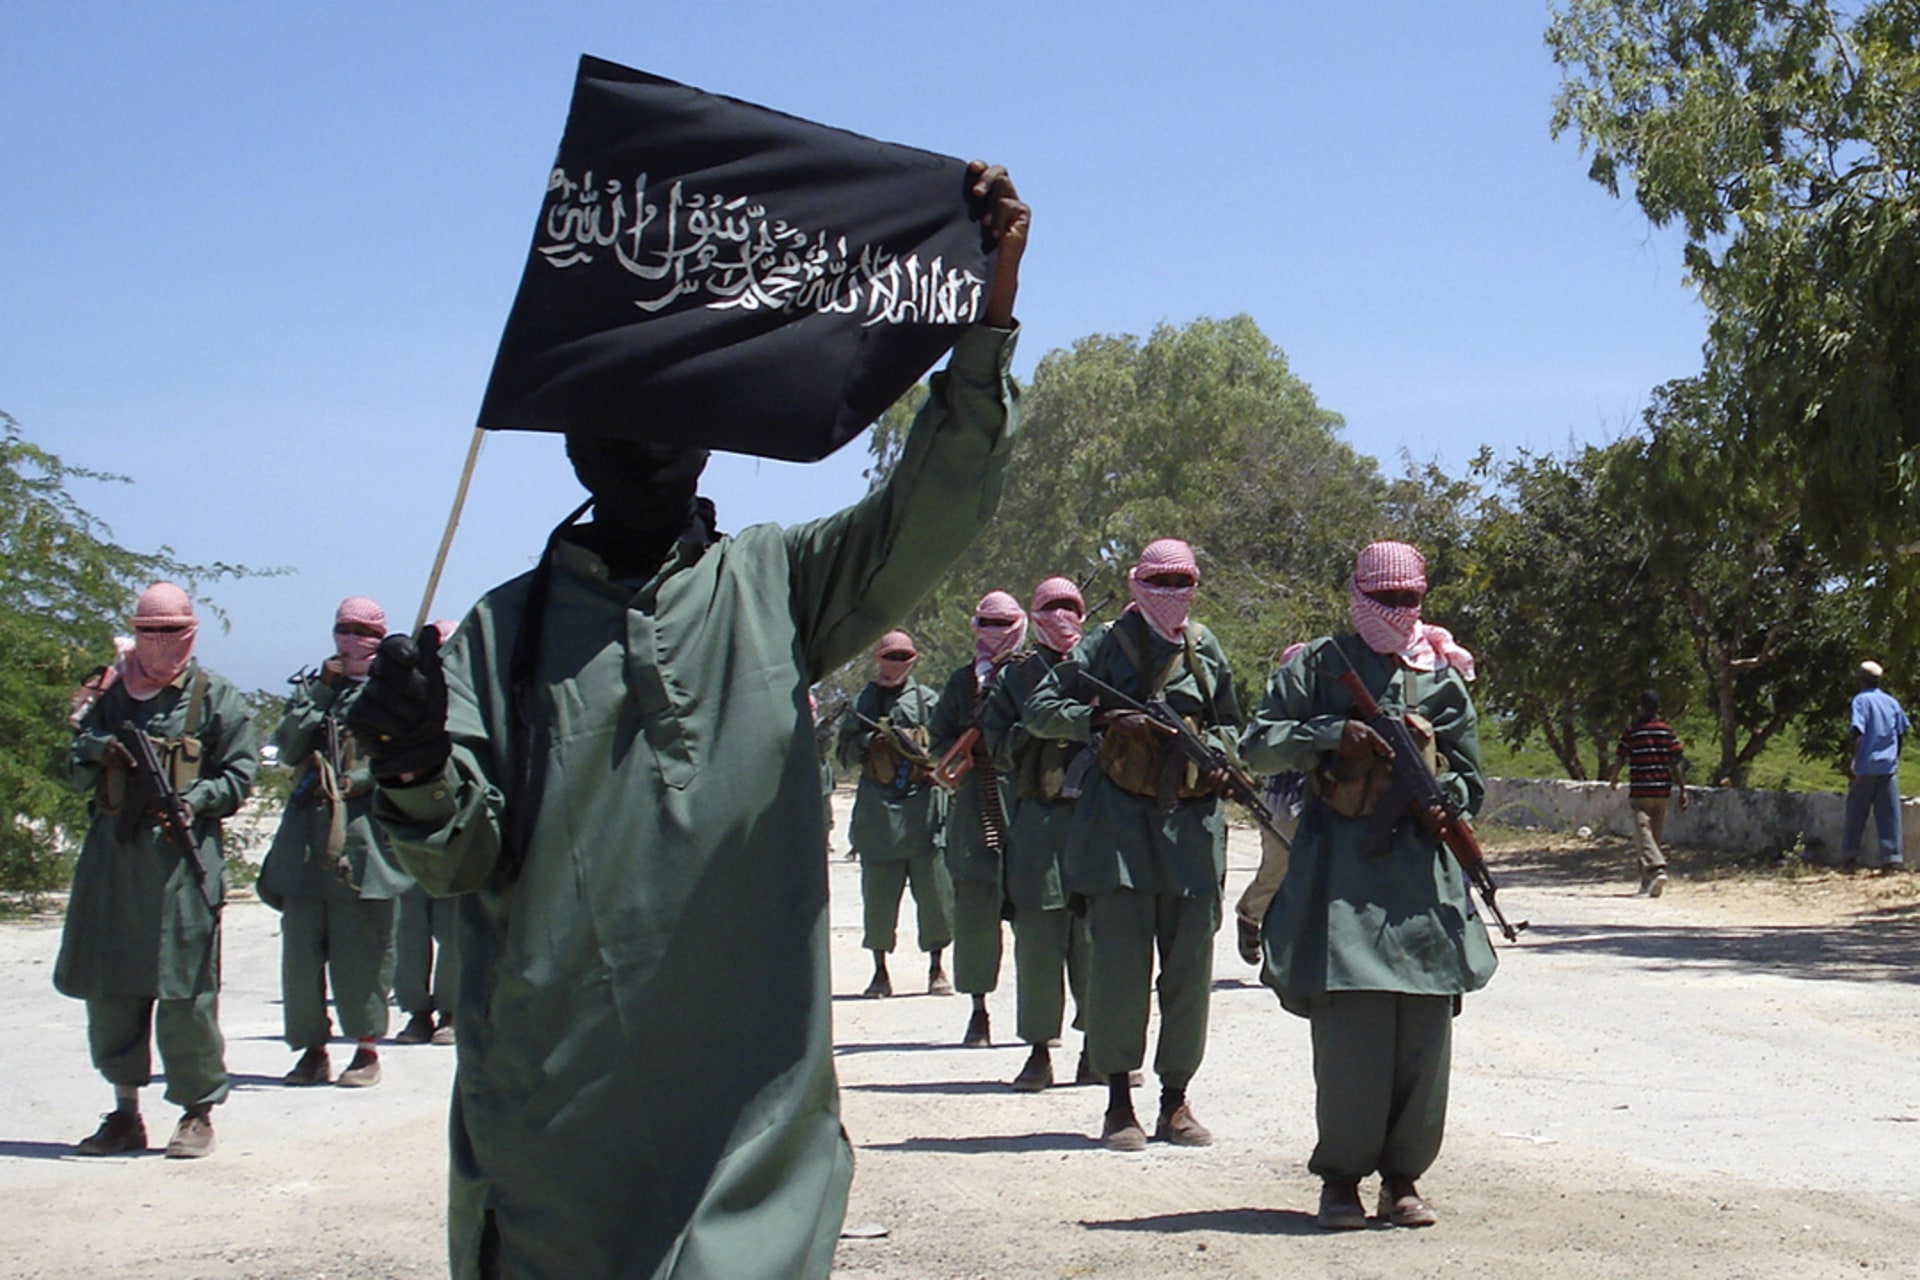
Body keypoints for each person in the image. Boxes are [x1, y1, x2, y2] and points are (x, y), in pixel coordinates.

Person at [349, 162, 1026, 1280]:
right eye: (613, 415)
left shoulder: (778, 586)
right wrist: (411, 757)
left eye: (669, 413)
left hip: (747, 1124)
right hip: (555, 1123)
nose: (641, 439)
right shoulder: (498, 635)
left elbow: (938, 500)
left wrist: (990, 311)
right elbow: (452, 856)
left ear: (708, 437)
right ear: (567, 438)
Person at [1240, 540, 1495, 1231]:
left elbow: (1472, 776)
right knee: (1351, 1039)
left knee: (1422, 1038)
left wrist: (1449, 799)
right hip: (1339, 878)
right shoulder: (1319, 666)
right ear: (1356, 595)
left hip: (1422, 882)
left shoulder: (1442, 678)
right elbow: (1257, 744)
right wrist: (1332, 735)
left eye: (1410, 599)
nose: (1399, 611)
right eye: (1385, 599)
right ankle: (1341, 1183)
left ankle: (1404, 1180)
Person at [1022, 538, 1240, 1151]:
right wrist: (1103, 721)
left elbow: (1230, 723)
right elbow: (1041, 708)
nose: (1172, 595)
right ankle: (1119, 1100)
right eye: (1160, 583)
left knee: (1189, 972)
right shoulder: (1102, 646)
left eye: (1184, 583)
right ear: (1138, 582)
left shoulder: (1205, 649)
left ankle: (1176, 1101)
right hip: (1117, 831)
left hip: (1192, 832)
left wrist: (1220, 757)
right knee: (1119, 971)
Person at [56, 582, 257, 1158]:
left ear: (189, 631)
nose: (158, 643)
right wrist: (100, 749)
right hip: (114, 860)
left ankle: (196, 1112)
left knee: (185, 990)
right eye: (148, 631)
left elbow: (241, 775)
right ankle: (124, 1112)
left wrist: (197, 799)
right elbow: (73, 771)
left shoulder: (216, 698)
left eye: (170, 632)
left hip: (180, 863)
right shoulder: (111, 696)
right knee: (112, 986)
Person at [259, 597, 412, 1086]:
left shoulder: (399, 691)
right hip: (306, 840)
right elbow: (288, 745)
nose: (353, 640)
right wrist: (325, 692)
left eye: (364, 632)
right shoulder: (313, 690)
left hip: (364, 838)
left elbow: (408, 757)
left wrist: (359, 781)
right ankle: (310, 1049)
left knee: (363, 953)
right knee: (301, 957)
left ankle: (366, 1049)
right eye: (344, 629)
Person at [981, 576, 1098, 1090]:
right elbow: (998, 751)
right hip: (1037, 822)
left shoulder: (1099, 666)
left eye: (1071, 606)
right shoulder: (1016, 677)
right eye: (1051, 607)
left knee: (1096, 939)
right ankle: (1037, 1050)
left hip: (1094, 821)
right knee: (1038, 942)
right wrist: (1036, 723)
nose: (1062, 615)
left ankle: (1100, 1049)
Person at [930, 590, 1027, 1048]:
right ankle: (978, 1010)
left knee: (1042, 916)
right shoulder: (961, 683)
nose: (995, 631)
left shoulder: (1032, 674)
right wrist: (970, 748)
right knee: (974, 908)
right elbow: (939, 744)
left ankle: (1047, 1022)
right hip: (976, 804)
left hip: (1027, 801)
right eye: (987, 622)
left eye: (1003, 622)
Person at [838, 631, 955, 998]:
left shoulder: (928, 702)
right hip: (878, 812)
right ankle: (879, 971)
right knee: (878, 898)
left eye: (903, 657)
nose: (895, 663)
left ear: (913, 660)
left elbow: (946, 748)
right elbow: (843, 754)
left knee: (935, 896)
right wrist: (868, 743)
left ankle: (937, 968)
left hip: (922, 810)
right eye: (890, 656)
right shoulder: (863, 703)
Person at [394, 618, 461, 1046]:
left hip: (456, 828)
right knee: (411, 929)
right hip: (411, 828)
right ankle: (417, 1011)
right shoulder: (407, 703)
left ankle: (453, 1009)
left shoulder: (470, 701)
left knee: (454, 929)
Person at [1233, 641, 1307, 964]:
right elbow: (1249, 748)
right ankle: (1250, 916)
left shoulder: (1328, 704)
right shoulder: (1274, 708)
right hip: (1281, 802)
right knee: (1278, 869)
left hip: (1318, 800)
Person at [1608, 689, 1686, 896]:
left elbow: (1621, 757)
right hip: (1662, 789)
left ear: (1641, 707)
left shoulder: (1633, 731)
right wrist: (1683, 789)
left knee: (1643, 833)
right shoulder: (1667, 731)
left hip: (1641, 789)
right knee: (1653, 838)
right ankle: (1647, 883)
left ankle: (1658, 868)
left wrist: (1614, 778)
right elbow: (1675, 763)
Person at [1843, 660, 1909, 874]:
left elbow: (1858, 731)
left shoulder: (1861, 701)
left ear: (1861, 679)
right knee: (1889, 814)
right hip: (1888, 767)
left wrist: (1853, 762)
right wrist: (1894, 757)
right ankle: (1891, 860)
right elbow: (1900, 733)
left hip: (1865, 765)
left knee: (1856, 813)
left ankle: (1850, 859)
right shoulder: (1891, 702)